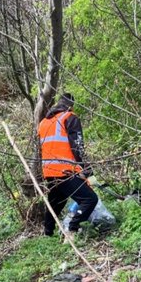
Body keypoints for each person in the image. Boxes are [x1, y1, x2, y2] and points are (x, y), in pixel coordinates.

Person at [38, 92, 97, 236]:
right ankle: (72, 228)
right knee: (89, 199)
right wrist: (87, 170)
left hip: (49, 170)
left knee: (56, 202)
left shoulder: (44, 122)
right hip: (65, 171)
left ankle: (47, 233)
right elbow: (77, 147)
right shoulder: (70, 117)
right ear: (71, 106)